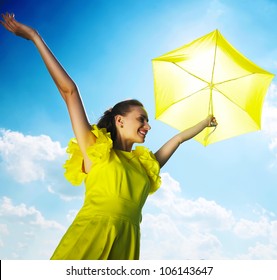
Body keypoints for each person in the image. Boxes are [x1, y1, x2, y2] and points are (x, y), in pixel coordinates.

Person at [1, 13, 217, 260]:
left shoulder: (145, 166)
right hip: (89, 240)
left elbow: (177, 139)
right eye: (142, 119)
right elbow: (69, 91)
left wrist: (204, 122)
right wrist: (34, 37)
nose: (148, 126)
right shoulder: (95, 148)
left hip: (127, 246)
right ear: (120, 120)